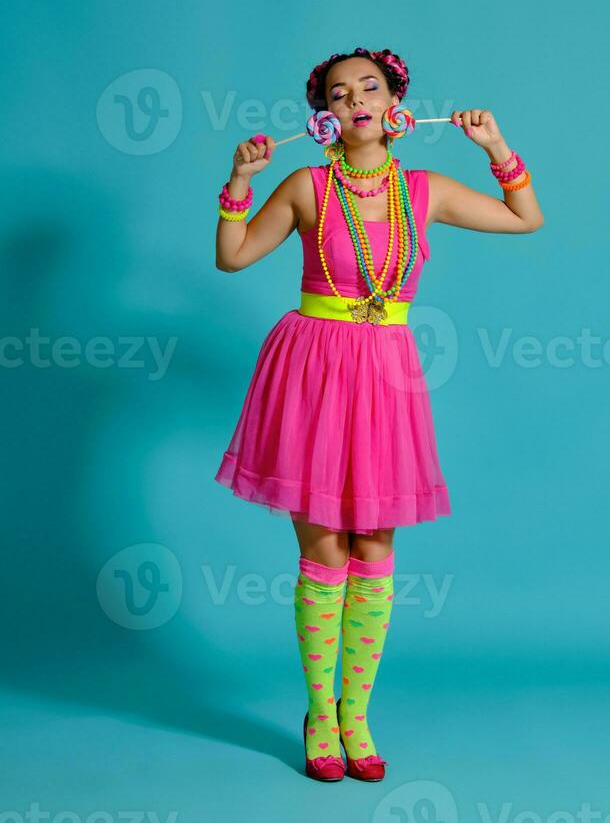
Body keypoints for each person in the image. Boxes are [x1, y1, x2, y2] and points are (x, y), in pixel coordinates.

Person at [214, 47, 544, 782]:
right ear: (323, 116)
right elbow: (232, 258)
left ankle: (357, 713)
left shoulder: (424, 189)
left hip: (386, 372)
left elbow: (527, 218)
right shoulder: (306, 184)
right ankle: (320, 716)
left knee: (375, 545)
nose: (355, 99)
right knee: (325, 545)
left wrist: (496, 148)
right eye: (338, 93)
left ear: (397, 102)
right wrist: (239, 183)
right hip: (312, 367)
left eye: (370, 86)